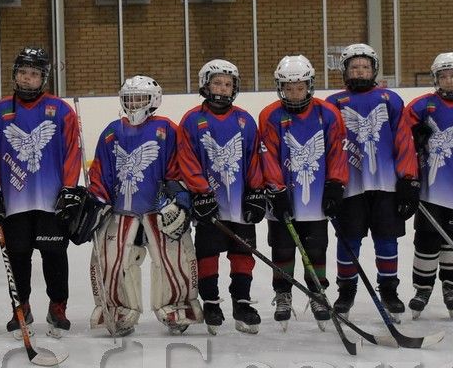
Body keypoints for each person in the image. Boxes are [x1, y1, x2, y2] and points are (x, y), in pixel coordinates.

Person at [87, 76, 209, 336]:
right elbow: (100, 171)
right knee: (112, 260)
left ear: (154, 100)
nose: (134, 104)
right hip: (121, 209)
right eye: (130, 98)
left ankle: (176, 305)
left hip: (159, 209)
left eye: (140, 98)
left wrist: (179, 200)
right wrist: (96, 201)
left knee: (173, 257)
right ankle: (117, 308)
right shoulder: (111, 132)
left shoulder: (166, 128)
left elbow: (178, 166)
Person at [0, 48, 83, 338]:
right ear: (15, 75)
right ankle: (21, 306)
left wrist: (70, 189)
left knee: (54, 254)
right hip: (14, 202)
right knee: (18, 255)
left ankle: (58, 306)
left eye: (34, 74)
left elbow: (72, 152)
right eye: (23, 73)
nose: (28, 79)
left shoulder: (61, 110)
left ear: (43, 78)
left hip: (52, 201)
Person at [259, 55, 348, 330]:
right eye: (288, 87)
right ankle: (283, 293)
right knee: (283, 246)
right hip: (282, 196)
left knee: (316, 246)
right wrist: (276, 190)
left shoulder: (327, 113)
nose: (294, 93)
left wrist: (335, 184)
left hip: (317, 196)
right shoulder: (270, 115)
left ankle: (318, 292)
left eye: (300, 87)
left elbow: (338, 151)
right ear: (280, 87)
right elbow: (267, 155)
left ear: (309, 86)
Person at [395, 53, 453, 318]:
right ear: (436, 79)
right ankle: (422, 288)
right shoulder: (420, 107)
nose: (449, 81)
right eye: (443, 76)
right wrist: (414, 140)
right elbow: (402, 141)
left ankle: (451, 288)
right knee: (425, 240)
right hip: (426, 190)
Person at [178, 59, 265, 334]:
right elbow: (187, 159)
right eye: (217, 82)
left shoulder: (244, 120)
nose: (223, 88)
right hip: (209, 204)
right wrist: (201, 193)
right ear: (205, 85)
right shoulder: (193, 120)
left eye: (228, 84)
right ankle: (212, 303)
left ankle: (241, 302)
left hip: (239, 201)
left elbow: (253, 158)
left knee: (243, 251)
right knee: (207, 252)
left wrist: (255, 191)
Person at [326, 43, 411, 316]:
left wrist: (409, 179)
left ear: (373, 70)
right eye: (354, 67)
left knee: (387, 239)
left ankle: (389, 290)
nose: (360, 71)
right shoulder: (333, 104)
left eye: (364, 67)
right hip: (349, 187)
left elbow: (405, 140)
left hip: (387, 185)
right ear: (345, 71)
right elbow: (329, 146)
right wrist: (330, 183)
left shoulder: (391, 99)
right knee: (349, 240)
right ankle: (346, 292)